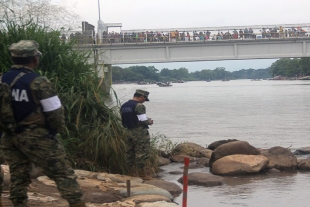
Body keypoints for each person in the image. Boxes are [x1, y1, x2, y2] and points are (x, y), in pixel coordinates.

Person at [0, 40, 85, 207]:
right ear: (35, 59)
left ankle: (19, 203)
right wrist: (54, 132)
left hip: (9, 136)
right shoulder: (39, 81)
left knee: (18, 174)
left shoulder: (2, 79)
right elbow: (55, 112)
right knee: (63, 173)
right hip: (36, 136)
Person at [120, 89, 154, 180]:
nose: (144, 101)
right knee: (142, 153)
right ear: (142, 96)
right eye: (145, 99)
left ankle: (131, 173)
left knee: (129, 153)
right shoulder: (139, 106)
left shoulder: (124, 105)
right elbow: (143, 120)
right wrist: (149, 121)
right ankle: (142, 174)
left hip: (128, 131)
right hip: (139, 132)